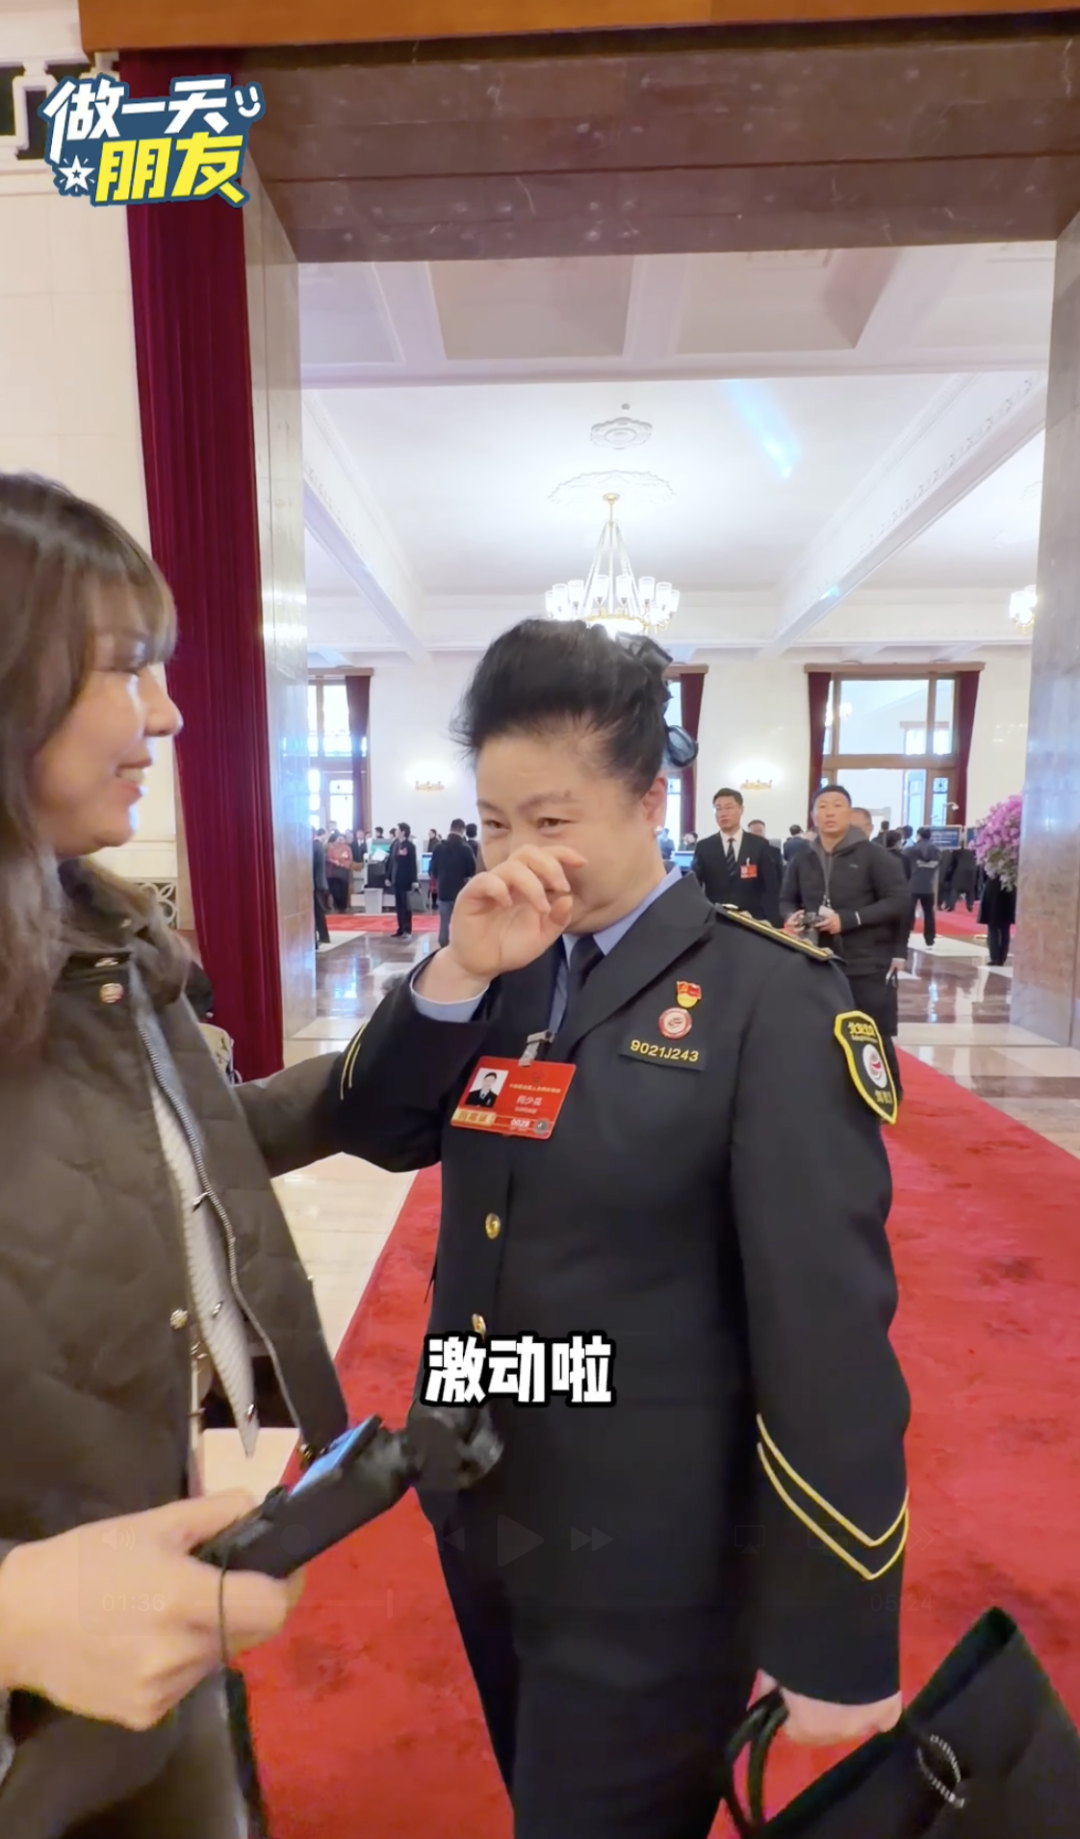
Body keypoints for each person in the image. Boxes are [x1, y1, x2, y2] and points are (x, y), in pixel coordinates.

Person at [244, 620, 909, 1839]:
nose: (520, 857)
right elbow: (381, 1125)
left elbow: (828, 1330)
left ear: (650, 798)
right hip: (483, 1500)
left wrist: (838, 1624)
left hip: (650, 1557)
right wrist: (454, 976)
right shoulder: (506, 958)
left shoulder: (768, 999)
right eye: (496, 823)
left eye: (553, 821)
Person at [0, 473, 348, 1836]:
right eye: (126, 666)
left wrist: (436, 1015)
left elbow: (189, 1144)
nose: (168, 715)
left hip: (139, 1574)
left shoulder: (96, 936)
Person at [781, 785, 911, 1098]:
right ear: (813, 815)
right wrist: (790, 917)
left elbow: (898, 901)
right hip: (817, 957)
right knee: (821, 1027)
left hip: (865, 956)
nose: (829, 812)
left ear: (849, 813)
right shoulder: (803, 858)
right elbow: (786, 898)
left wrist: (850, 919)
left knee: (870, 1028)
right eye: (823, 806)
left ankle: (886, 1093)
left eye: (837, 805)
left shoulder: (874, 856)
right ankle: (833, 1093)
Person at [691, 786, 781, 925]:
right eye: (718, 809)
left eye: (729, 807)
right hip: (716, 920)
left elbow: (771, 887)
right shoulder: (704, 847)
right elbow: (694, 886)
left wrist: (773, 923)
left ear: (741, 810)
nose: (723, 813)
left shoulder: (759, 845)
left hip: (753, 921)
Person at [430, 818, 477, 949]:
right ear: (462, 830)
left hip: (443, 890)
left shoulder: (438, 847)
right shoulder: (465, 848)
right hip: (460, 891)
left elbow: (433, 869)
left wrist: (440, 879)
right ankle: (460, 946)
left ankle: (443, 945)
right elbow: (472, 870)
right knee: (460, 921)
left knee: (444, 922)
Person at [906, 826, 940, 948]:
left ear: (919, 835)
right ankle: (930, 938)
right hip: (928, 885)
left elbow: (905, 866)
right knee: (929, 913)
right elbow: (937, 865)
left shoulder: (910, 850)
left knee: (909, 912)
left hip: (913, 884)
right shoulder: (936, 849)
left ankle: (906, 935)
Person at [389, 821, 419, 937]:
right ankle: (400, 928)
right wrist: (388, 877)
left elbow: (412, 864)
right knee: (399, 906)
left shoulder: (410, 846)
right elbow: (391, 862)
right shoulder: (395, 844)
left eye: (397, 830)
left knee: (406, 905)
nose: (396, 832)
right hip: (396, 878)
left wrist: (414, 880)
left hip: (405, 879)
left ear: (403, 832)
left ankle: (407, 929)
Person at [980, 873, 1016, 966]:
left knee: (993, 927)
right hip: (1008, 888)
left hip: (994, 890)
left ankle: (995, 957)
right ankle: (1002, 957)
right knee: (1005, 928)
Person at [326, 828, 354, 914]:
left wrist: (344, 864)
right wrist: (335, 862)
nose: (340, 841)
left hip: (344, 871)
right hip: (334, 871)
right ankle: (337, 905)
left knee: (343, 889)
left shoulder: (347, 848)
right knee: (335, 889)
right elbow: (328, 857)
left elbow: (350, 859)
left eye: (342, 839)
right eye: (339, 839)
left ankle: (343, 907)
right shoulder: (332, 848)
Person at [312, 825, 331, 946]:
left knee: (318, 911)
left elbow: (312, 865)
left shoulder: (314, 846)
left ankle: (323, 936)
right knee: (318, 911)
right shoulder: (318, 845)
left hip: (315, 883)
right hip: (319, 882)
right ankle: (324, 936)